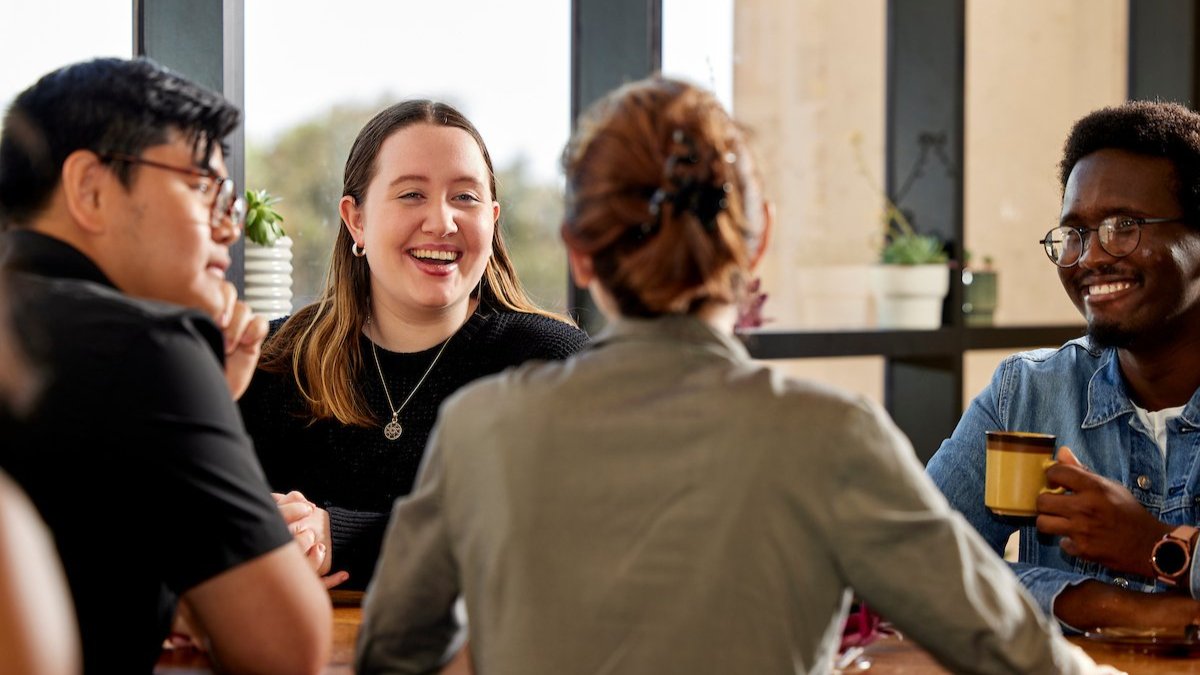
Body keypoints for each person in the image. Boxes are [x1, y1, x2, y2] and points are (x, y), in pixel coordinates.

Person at [355, 76, 1119, 674]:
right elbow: (1009, 647)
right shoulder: (831, 435)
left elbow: (391, 654)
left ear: (578, 252)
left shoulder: (481, 426)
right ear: (757, 244)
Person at [0, 57, 331, 674]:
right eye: (202, 186)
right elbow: (289, 649)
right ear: (90, 189)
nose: (228, 228)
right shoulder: (146, 348)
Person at [238, 100, 588, 591]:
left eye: (464, 197)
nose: (441, 222)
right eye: (411, 195)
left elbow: (552, 542)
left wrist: (339, 537)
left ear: (492, 219)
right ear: (355, 219)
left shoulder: (552, 362)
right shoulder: (271, 360)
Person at [928, 100, 1200, 633]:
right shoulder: (1025, 394)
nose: (1091, 257)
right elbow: (918, 559)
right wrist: (1101, 605)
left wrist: (1151, 545)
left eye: (1125, 225)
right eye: (1074, 232)